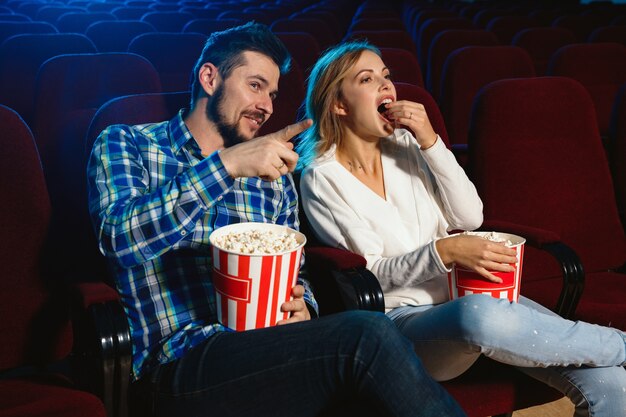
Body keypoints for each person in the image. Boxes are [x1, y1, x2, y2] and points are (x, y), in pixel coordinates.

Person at [87, 23, 466, 417]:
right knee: (367, 335)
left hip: (269, 352)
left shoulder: (274, 178)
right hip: (180, 363)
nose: (267, 105)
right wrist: (227, 166)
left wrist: (306, 309)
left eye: (272, 93)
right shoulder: (127, 142)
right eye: (255, 85)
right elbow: (119, 238)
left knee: (370, 383)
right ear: (210, 77)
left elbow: (295, 276)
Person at [297, 40, 626, 417]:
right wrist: (446, 252)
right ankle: (621, 344)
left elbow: (469, 218)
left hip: (470, 298)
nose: (386, 86)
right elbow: (371, 275)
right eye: (368, 79)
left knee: (613, 385)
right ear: (339, 104)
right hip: (403, 326)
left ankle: (617, 351)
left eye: (387, 77)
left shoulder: (407, 145)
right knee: (479, 314)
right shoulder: (322, 177)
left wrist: (431, 142)